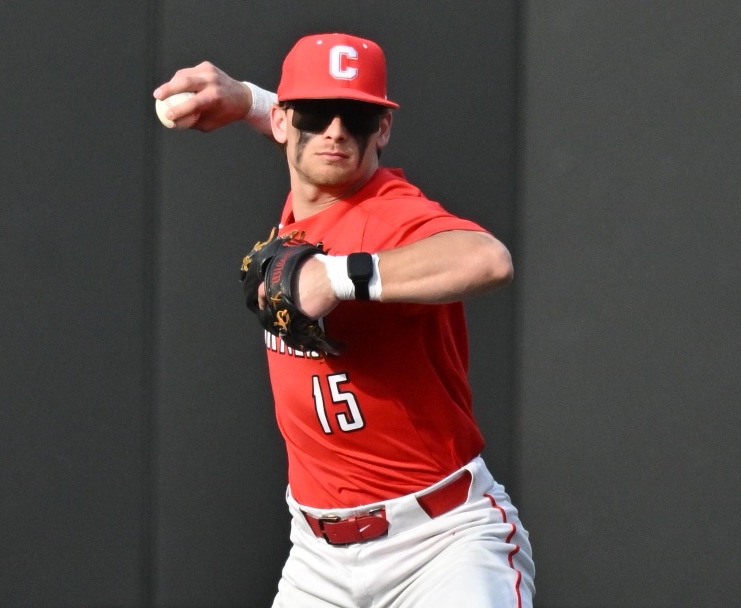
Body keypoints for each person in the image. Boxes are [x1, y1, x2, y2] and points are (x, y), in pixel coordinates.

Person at [155, 32, 535, 608]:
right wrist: (247, 101)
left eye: (357, 116)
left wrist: (336, 278)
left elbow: (488, 259)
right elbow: (310, 147)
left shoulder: (388, 213)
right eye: (315, 111)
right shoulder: (308, 194)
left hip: (439, 544)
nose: (335, 130)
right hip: (315, 560)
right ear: (284, 121)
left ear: (381, 130)